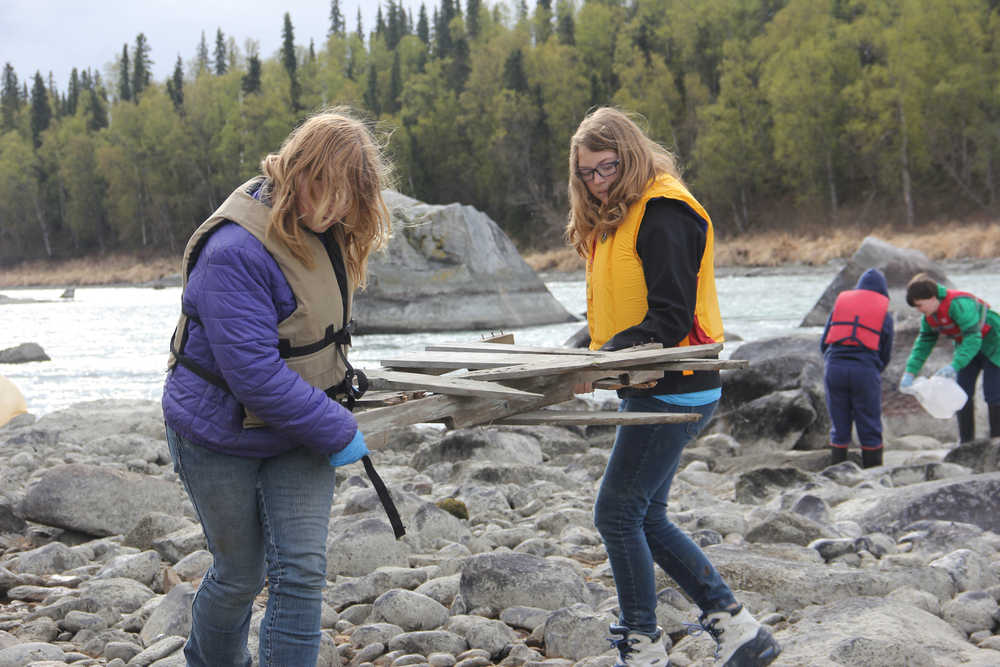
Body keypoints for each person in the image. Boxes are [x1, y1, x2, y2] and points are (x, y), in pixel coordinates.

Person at [161, 107, 394, 667]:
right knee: (241, 574)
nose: (337, 209)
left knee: (302, 571)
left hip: (298, 433)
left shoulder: (330, 229)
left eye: (349, 199)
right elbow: (255, 378)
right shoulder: (235, 251)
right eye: (327, 191)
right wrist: (338, 427)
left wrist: (334, 413)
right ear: (298, 171)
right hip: (218, 434)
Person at [566, 107, 780, 667]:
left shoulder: (663, 212)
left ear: (631, 156)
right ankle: (738, 629)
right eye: (586, 172)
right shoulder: (625, 213)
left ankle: (644, 643)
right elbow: (623, 312)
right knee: (644, 515)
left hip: (676, 385)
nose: (596, 182)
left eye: (606, 167)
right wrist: (578, 354)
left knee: (615, 514)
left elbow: (668, 316)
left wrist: (603, 359)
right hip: (651, 383)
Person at [899, 273, 1000, 442]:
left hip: (994, 345)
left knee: (993, 393)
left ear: (932, 298)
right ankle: (966, 442)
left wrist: (954, 365)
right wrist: (910, 372)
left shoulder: (959, 305)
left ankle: (997, 442)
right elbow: (923, 344)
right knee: (962, 393)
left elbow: (973, 338)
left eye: (920, 305)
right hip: (967, 349)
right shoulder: (930, 317)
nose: (919, 310)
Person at [820, 268, 894, 468]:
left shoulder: (839, 308)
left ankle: (836, 472)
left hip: (834, 368)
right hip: (864, 371)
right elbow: (885, 352)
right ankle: (873, 474)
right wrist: (874, 371)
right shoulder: (884, 315)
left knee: (839, 424)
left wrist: (832, 361)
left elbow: (823, 344)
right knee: (869, 424)